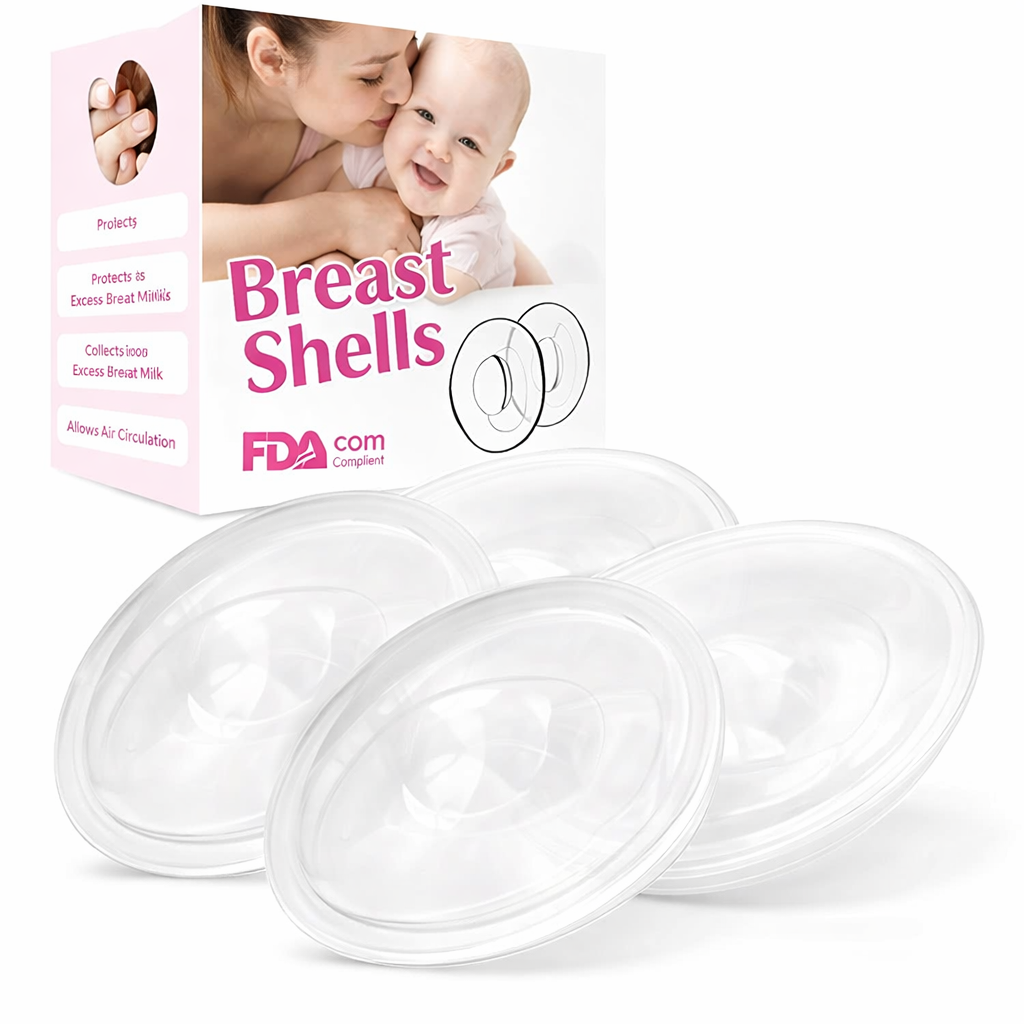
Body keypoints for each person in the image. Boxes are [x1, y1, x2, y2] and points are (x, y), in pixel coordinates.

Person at [265, 34, 533, 301]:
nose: (438, 149)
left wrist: (378, 270)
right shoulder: (369, 158)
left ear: (496, 170)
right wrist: (329, 259)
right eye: (426, 115)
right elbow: (285, 207)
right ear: (397, 109)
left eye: (468, 143)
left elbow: (436, 296)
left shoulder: (476, 230)